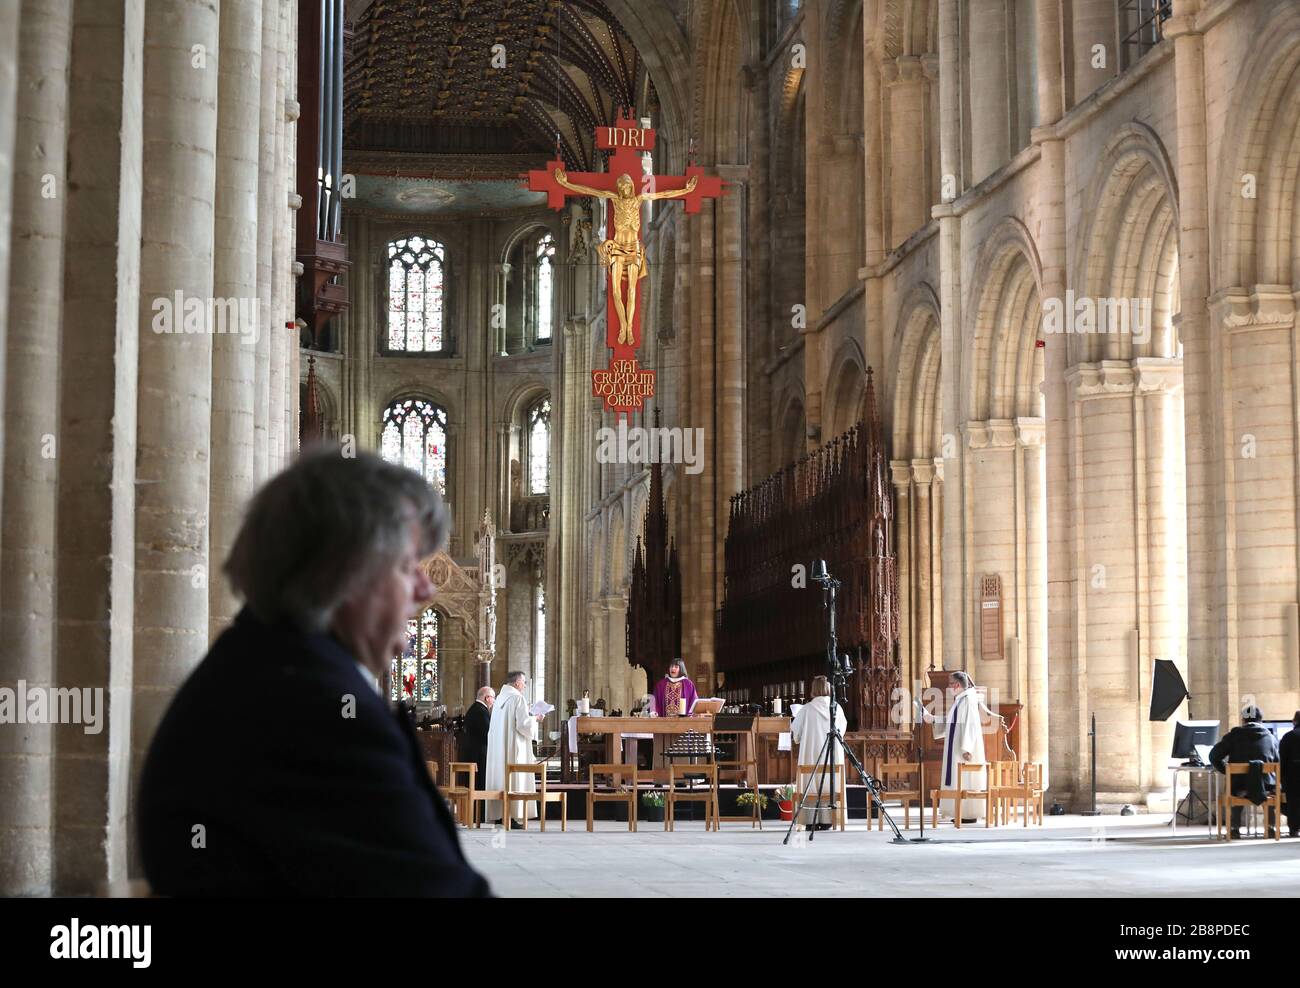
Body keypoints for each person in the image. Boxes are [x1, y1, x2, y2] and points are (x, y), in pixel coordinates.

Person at [138, 448, 490, 896]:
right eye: (406, 568)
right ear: (344, 575)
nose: (426, 589)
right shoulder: (318, 715)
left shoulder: (260, 663)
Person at [935, 671, 1003, 823]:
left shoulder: (968, 700)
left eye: (951, 683)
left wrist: (967, 748)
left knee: (966, 779)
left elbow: (971, 725)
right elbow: (953, 723)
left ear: (957, 685)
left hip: (963, 750)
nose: (949, 687)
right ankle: (961, 812)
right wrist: (933, 719)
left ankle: (969, 813)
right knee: (958, 779)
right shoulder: (960, 700)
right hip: (956, 748)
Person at [1209, 705, 1281, 838]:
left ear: (1243, 720)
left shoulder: (1234, 736)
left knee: (1237, 783)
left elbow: (1213, 756)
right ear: (1261, 720)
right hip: (1264, 788)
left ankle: (1234, 829)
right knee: (1268, 784)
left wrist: (1227, 770)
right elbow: (1278, 762)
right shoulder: (1271, 738)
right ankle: (1270, 828)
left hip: (1240, 789)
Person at [484, 671, 545, 828]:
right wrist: (536, 718)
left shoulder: (499, 699)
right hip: (512, 747)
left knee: (500, 777)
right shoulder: (517, 698)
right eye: (524, 682)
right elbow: (523, 725)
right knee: (512, 778)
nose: (524, 685)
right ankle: (511, 815)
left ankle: (499, 815)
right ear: (517, 683)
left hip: (499, 748)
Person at [790, 676, 848, 830]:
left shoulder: (806, 709)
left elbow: (796, 734)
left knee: (810, 783)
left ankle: (809, 820)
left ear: (813, 689)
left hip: (811, 756)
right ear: (828, 689)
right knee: (830, 782)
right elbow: (842, 730)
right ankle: (830, 819)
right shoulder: (836, 708)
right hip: (832, 756)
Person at [462, 686, 495, 787]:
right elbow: (487, 733)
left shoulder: (475, 708)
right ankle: (479, 803)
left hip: (473, 753)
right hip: (478, 754)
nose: (494, 701)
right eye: (493, 698)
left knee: (474, 784)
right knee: (479, 785)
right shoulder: (481, 711)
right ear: (487, 698)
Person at [1280, 712, 1300, 838]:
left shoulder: (1288, 736)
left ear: (1294, 721)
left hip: (1294, 777)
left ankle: (1294, 829)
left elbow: (1282, 760)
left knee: (1291, 799)